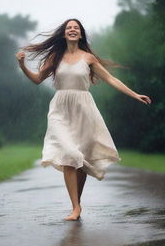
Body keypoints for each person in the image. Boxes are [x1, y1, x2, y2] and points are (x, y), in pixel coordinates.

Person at [15, 18, 151, 221]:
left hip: (84, 111)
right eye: (69, 28)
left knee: (81, 160)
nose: (72, 30)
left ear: (80, 34)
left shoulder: (88, 58)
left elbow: (111, 79)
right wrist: (22, 65)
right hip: (60, 110)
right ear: (64, 34)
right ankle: (76, 207)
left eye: (76, 28)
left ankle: (76, 205)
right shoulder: (55, 57)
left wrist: (134, 94)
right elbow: (37, 80)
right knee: (70, 154)